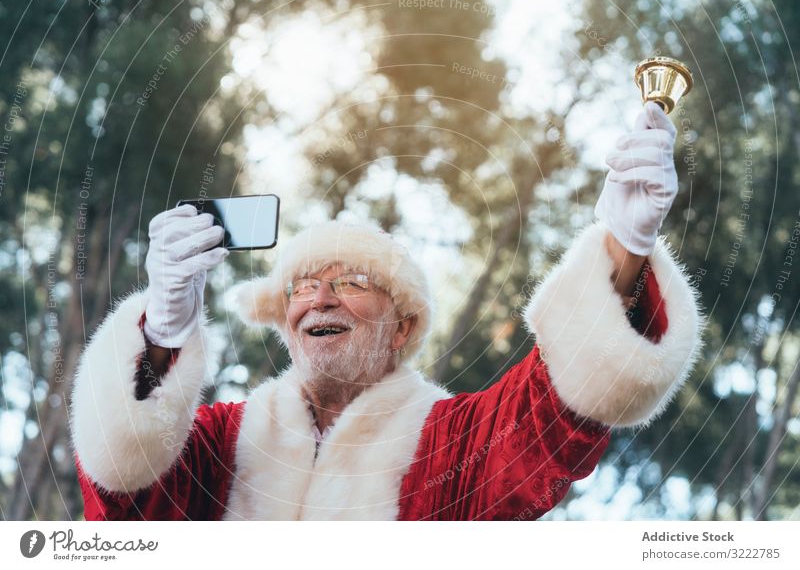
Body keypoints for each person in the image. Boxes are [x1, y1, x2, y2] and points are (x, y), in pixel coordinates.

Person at [71, 102, 704, 520]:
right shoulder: (216, 443)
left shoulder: (452, 446)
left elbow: (549, 417)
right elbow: (124, 495)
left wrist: (623, 244)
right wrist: (164, 326)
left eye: (350, 281)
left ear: (402, 326)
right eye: (300, 286)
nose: (319, 296)